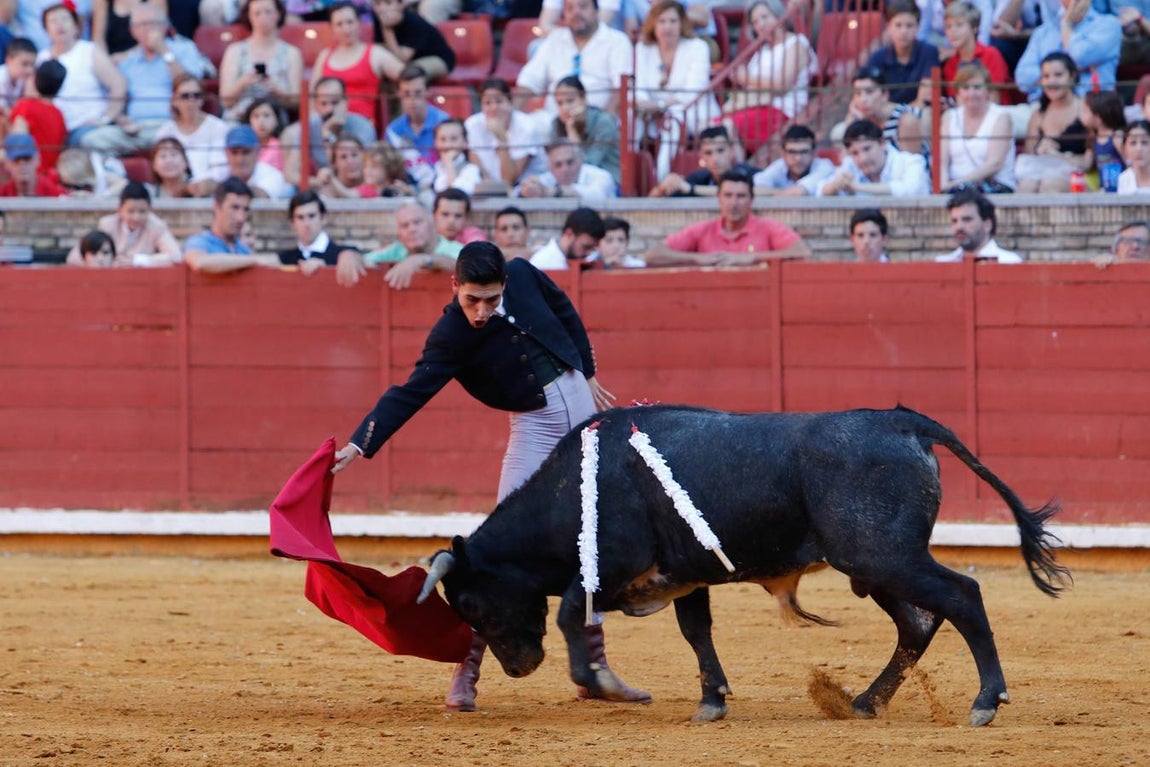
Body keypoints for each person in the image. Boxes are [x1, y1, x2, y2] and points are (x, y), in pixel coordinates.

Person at [332, 240, 647, 714]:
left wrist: (587, 368)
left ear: (505, 284)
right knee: (494, 546)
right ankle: (467, 673)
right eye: (471, 300)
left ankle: (592, 670)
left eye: (492, 300)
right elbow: (411, 391)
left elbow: (563, 306)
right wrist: (361, 442)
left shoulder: (522, 272)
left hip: (579, 413)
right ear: (454, 285)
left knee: (589, 540)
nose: (481, 312)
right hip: (533, 424)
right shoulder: (451, 335)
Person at [645, 170, 811, 266]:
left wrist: (752, 257)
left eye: (740, 196)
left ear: (751, 200)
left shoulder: (768, 227)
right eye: (728, 196)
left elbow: (802, 252)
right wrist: (697, 258)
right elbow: (653, 255)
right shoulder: (703, 229)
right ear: (719, 199)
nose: (734, 203)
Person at [633, 0, 718, 179]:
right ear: (653, 25)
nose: (668, 27)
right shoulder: (642, 49)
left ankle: (661, 176)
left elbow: (693, 91)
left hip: (693, 111)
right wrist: (644, 104)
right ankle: (630, 170)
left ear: (682, 24)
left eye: (673, 21)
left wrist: (660, 105)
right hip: (651, 112)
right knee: (630, 117)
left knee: (673, 117)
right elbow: (638, 86)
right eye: (662, 21)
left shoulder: (697, 47)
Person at [722, 0, 816, 161]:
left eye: (765, 17)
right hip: (755, 107)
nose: (760, 24)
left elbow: (782, 85)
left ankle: (738, 172)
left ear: (779, 15)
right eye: (755, 21)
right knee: (713, 127)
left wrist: (746, 79)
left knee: (726, 127)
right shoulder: (761, 51)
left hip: (782, 109)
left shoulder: (797, 43)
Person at [109, 3, 205, 155]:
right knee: (91, 140)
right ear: (132, 31)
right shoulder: (127, 62)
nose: (147, 29)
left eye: (152, 23)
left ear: (164, 26)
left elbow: (191, 86)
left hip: (174, 125)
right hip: (136, 130)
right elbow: (118, 103)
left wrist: (164, 51)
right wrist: (123, 121)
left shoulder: (185, 49)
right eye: (141, 25)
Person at [35, 1, 129, 152]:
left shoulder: (88, 51)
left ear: (76, 26)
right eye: (53, 21)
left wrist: (106, 118)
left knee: (87, 141)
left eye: (65, 19)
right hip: (55, 130)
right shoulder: (42, 58)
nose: (60, 25)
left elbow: (118, 84)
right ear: (46, 30)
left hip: (88, 127)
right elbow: (34, 97)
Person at [516, 0, 634, 117]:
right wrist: (511, 114)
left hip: (597, 122)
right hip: (554, 122)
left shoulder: (617, 41)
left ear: (596, 11)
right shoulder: (555, 40)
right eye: (570, 8)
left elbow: (621, 88)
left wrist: (603, 122)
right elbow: (530, 80)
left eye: (583, 6)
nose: (576, 12)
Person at [280, 77, 377, 189]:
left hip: (356, 190)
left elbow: (360, 171)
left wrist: (330, 135)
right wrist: (317, 182)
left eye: (335, 102)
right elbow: (290, 174)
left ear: (345, 101)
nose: (329, 109)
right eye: (324, 103)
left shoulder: (363, 126)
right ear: (316, 104)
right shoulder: (307, 128)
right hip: (322, 190)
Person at [1013, 52, 1091, 193]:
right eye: (1046, 76)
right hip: (1042, 173)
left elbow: (1090, 162)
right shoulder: (1038, 115)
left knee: (1051, 185)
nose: (1051, 81)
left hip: (1081, 177)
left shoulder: (1086, 110)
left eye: (1058, 75)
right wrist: (1040, 151)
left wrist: (1059, 156)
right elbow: (1029, 158)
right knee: (1026, 186)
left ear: (1072, 76)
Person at [1014, 0, 1121, 101]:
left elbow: (1079, 57)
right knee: (1002, 115)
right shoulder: (1043, 32)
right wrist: (1058, 76)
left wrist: (1066, 24)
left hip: (1089, 109)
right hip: (1044, 108)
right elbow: (1022, 79)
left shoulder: (1108, 25)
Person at [314, 2, 402, 122]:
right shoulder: (324, 56)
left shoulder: (375, 53)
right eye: (339, 24)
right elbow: (311, 95)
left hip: (361, 125)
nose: (346, 28)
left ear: (359, 23)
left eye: (350, 22)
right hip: (326, 123)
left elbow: (406, 76)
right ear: (332, 28)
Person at [939, 60, 1016, 193]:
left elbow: (994, 163)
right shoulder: (949, 116)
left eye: (977, 87)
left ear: (987, 90)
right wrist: (942, 185)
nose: (971, 93)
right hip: (954, 187)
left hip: (994, 185)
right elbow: (942, 160)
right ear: (958, 92)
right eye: (966, 88)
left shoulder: (1001, 117)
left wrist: (957, 184)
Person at [218, 0, 304, 121]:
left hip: (275, 121)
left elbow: (296, 102)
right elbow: (225, 101)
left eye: (268, 12)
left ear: (278, 14)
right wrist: (243, 82)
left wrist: (276, 89)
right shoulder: (235, 51)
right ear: (249, 16)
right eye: (257, 13)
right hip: (239, 119)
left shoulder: (292, 53)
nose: (263, 18)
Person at [65, 182, 182, 266]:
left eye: (142, 211)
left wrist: (137, 261)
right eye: (131, 211)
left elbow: (176, 257)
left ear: (150, 210)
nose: (136, 217)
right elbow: (74, 257)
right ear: (120, 210)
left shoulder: (156, 226)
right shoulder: (107, 224)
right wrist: (105, 261)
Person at [183, 176, 281, 273]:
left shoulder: (243, 250)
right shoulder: (200, 241)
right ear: (217, 207)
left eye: (245, 210)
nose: (241, 218)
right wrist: (254, 260)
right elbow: (200, 262)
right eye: (234, 208)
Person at [828, 66, 925, 157]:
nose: (863, 99)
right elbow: (847, 162)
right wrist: (853, 124)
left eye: (869, 92)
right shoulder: (861, 118)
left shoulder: (905, 119)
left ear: (885, 95)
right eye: (858, 93)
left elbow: (912, 166)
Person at [819, 120, 930, 197]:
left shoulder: (912, 162)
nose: (863, 158)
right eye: (855, 153)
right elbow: (819, 190)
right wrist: (835, 185)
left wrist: (858, 187)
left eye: (867, 149)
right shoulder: (850, 164)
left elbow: (910, 190)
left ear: (882, 143)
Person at [363, 201, 461, 289]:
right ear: (399, 233)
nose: (412, 229)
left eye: (417, 222)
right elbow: (365, 260)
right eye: (405, 225)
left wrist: (420, 260)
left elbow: (458, 264)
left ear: (432, 223)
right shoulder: (397, 249)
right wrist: (350, 256)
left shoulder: (456, 249)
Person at [276, 188, 367, 283]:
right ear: (292, 223)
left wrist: (349, 255)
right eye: (300, 217)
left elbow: (363, 260)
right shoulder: (285, 258)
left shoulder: (343, 253)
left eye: (311, 216)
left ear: (324, 218)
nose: (306, 224)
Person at [155, 74, 230, 185]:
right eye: (185, 96)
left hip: (209, 190)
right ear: (174, 100)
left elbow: (220, 169)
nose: (191, 100)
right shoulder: (166, 131)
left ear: (203, 99)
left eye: (196, 95)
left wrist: (196, 185)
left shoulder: (218, 127)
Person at [464, 77, 538, 188]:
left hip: (525, 187)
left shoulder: (527, 126)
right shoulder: (473, 124)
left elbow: (509, 181)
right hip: (486, 187)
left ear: (510, 102)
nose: (494, 108)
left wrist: (502, 138)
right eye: (487, 103)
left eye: (499, 101)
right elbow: (476, 163)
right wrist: (488, 186)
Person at [864, 0, 939, 107]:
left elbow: (924, 99)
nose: (904, 31)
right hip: (883, 115)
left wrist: (899, 113)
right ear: (888, 27)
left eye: (909, 26)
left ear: (918, 27)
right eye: (898, 25)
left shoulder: (929, 52)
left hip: (917, 116)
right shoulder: (877, 58)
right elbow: (868, 96)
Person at [385, 64, 450, 189]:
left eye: (418, 93)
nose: (412, 100)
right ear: (399, 94)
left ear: (428, 92)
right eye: (406, 94)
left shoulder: (444, 123)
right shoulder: (393, 131)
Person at [548, 75, 620, 186]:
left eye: (570, 101)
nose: (565, 108)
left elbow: (586, 166)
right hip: (570, 183)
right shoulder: (556, 124)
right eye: (560, 103)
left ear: (584, 99)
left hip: (608, 183)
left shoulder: (604, 122)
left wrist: (571, 129)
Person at [648, 125, 757, 197]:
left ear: (731, 151)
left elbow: (770, 191)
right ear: (701, 156)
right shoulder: (700, 178)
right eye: (708, 153)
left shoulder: (750, 174)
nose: (715, 159)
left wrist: (692, 189)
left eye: (720, 151)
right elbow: (650, 203)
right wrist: (663, 188)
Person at [3, 59, 67, 170]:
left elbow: (17, 145)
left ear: (35, 80)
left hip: (29, 174)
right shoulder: (59, 115)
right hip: (49, 176)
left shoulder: (27, 106)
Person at [940, 1, 1009, 101]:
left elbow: (995, 98)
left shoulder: (991, 55)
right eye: (948, 26)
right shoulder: (950, 64)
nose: (952, 31)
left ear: (974, 28)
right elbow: (957, 99)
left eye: (959, 25)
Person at [515, 138, 616, 202]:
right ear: (550, 167)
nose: (565, 169)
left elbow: (597, 196)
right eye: (558, 165)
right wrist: (526, 191)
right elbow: (516, 192)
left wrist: (554, 192)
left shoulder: (602, 176)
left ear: (580, 159)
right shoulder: (549, 177)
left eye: (570, 162)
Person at [935, 188, 1022, 262]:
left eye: (967, 220)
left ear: (987, 225)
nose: (959, 227)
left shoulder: (1008, 261)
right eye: (954, 221)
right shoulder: (943, 262)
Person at [752, 124, 835, 197]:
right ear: (783, 154)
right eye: (792, 152)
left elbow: (800, 192)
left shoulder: (824, 166)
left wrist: (772, 193)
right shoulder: (780, 165)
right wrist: (784, 193)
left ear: (814, 153)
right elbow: (754, 189)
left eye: (804, 152)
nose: (798, 158)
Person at [223, 123, 292, 199]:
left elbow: (262, 195)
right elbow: (208, 185)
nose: (240, 159)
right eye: (234, 153)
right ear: (226, 153)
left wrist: (221, 190)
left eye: (246, 152)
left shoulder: (272, 174)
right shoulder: (222, 170)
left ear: (257, 152)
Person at [529, 206, 606, 270]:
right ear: (569, 234)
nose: (589, 253)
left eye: (592, 248)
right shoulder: (542, 263)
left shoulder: (591, 260)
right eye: (585, 247)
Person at [1081, 90, 1126, 193]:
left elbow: (1129, 163)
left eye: (1085, 111)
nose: (1081, 115)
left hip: (1121, 189)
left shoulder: (1117, 137)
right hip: (1103, 189)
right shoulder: (1094, 138)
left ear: (1098, 118)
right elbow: (1086, 164)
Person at [91, 0, 166, 60]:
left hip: (144, 59)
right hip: (112, 64)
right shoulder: (102, 2)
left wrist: (124, 58)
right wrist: (106, 63)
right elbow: (98, 39)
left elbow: (157, 35)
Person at [0, 132, 66, 196]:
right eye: (16, 160)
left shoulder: (53, 192)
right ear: (7, 164)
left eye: (27, 158)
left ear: (38, 159)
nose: (22, 165)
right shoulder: (4, 194)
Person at [427, 119, 481, 195]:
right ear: (435, 143)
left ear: (465, 142)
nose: (448, 144)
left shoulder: (471, 169)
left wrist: (449, 163)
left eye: (454, 139)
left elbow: (456, 195)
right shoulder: (435, 167)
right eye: (443, 139)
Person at [314, 132, 368, 197]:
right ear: (334, 163)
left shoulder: (375, 186)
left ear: (364, 157)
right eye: (343, 157)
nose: (350, 161)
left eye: (354, 155)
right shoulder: (325, 192)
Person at [246, 97, 286, 171]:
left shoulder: (280, 146)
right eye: (256, 116)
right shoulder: (245, 145)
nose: (261, 121)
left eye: (266, 116)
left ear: (277, 120)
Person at [0, 37, 35, 111]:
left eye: (32, 65)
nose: (29, 70)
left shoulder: (23, 80)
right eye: (24, 64)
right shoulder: (1, 78)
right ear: (8, 60)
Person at [1116, 120, 1150, 194]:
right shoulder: (1123, 179)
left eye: (1144, 142)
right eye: (1133, 143)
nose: (1139, 149)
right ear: (1125, 148)